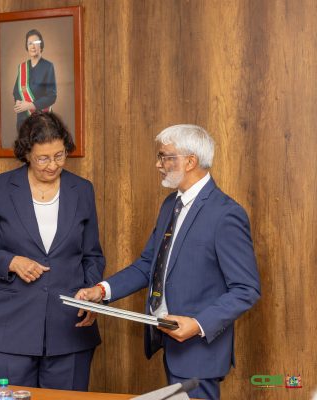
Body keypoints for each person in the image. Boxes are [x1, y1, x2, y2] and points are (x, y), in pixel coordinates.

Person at [75, 125, 261, 400]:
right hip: (170, 344)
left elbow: (246, 289)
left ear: (190, 161)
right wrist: (101, 291)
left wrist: (197, 324)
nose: (158, 164)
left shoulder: (226, 214)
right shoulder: (170, 204)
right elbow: (148, 264)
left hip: (199, 352)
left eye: (165, 156)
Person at [0, 111, 104, 390]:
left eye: (59, 156)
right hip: (8, 331)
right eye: (43, 158)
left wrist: (92, 297)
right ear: (27, 154)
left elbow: (92, 255)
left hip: (69, 331)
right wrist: (11, 261)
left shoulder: (82, 190)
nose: (53, 165)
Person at [13, 29, 57, 130]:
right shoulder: (22, 67)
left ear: (41, 45)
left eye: (36, 42)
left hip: (41, 121)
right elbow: (16, 92)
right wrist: (18, 103)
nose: (33, 46)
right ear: (27, 47)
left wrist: (31, 105)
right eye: (30, 43)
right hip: (23, 121)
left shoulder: (48, 66)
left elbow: (52, 96)